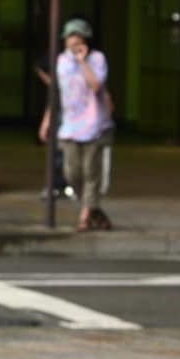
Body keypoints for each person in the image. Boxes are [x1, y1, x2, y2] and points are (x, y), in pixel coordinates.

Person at [39, 17, 113, 231]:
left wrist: (83, 61)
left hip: (95, 125)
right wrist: (47, 121)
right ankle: (93, 210)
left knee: (91, 173)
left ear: (85, 39)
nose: (73, 40)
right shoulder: (61, 62)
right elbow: (58, 95)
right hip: (70, 127)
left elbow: (96, 85)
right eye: (70, 36)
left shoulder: (97, 59)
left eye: (77, 36)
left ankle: (84, 217)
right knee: (72, 173)